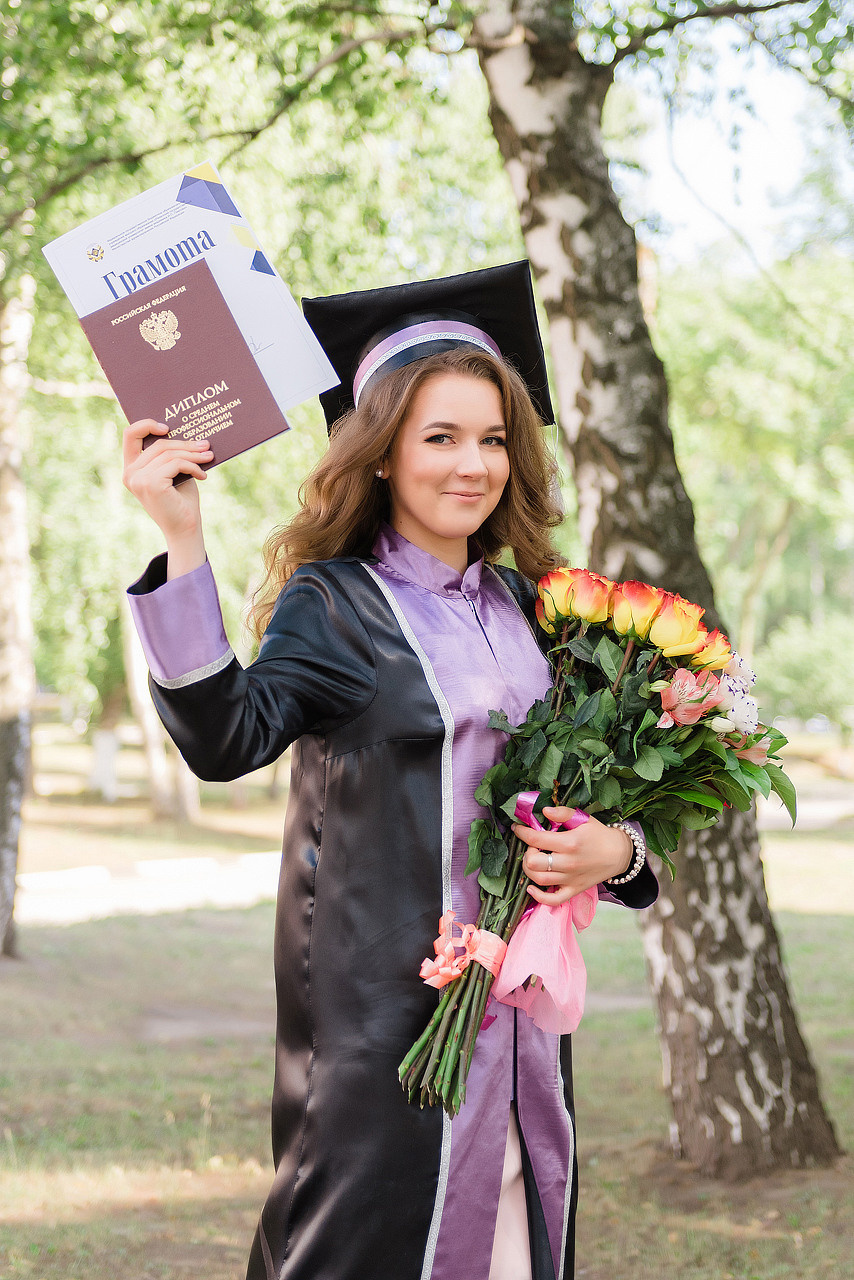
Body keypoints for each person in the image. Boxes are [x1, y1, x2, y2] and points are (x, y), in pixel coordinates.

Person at [123, 261, 658, 1280]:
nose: (473, 464)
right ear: (378, 454)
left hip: (521, 1039)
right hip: (387, 1041)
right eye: (439, 436)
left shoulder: (538, 607)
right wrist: (181, 536)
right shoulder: (339, 603)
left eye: (492, 437)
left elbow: (618, 808)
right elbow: (224, 736)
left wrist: (614, 850)